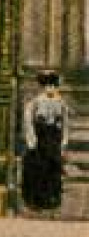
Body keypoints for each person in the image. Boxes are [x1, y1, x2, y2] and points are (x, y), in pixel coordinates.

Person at [21, 71, 71, 213]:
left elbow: (65, 123)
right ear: (43, 87)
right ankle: (36, 201)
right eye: (48, 86)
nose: (51, 89)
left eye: (53, 86)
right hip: (40, 139)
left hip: (53, 139)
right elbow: (28, 121)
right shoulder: (35, 102)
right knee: (38, 169)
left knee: (53, 169)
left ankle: (51, 200)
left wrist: (63, 142)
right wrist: (32, 140)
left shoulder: (61, 103)